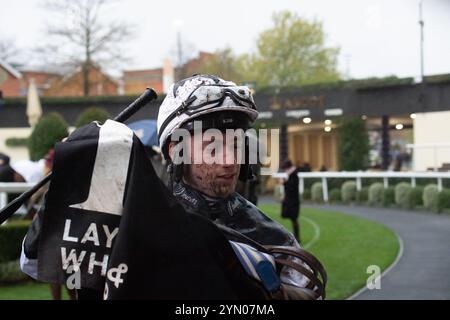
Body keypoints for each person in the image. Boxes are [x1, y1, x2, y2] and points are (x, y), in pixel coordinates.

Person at [157, 74, 307, 287]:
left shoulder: (276, 239)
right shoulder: (143, 231)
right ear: (176, 151)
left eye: (235, 145)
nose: (229, 161)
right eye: (212, 147)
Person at [280, 159, 300, 242]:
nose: (285, 170)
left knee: (294, 219)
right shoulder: (292, 175)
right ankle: (296, 236)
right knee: (292, 218)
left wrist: (284, 183)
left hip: (293, 202)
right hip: (291, 201)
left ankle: (297, 237)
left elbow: (291, 188)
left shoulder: (294, 175)